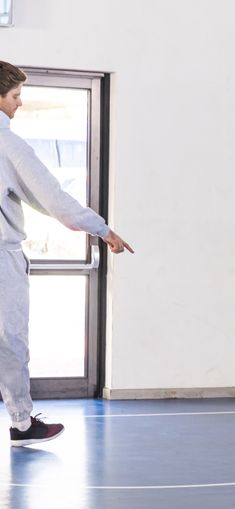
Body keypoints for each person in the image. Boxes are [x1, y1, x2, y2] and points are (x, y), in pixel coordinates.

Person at [1, 61, 133, 447]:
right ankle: (22, 424)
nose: (19, 103)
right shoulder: (8, 144)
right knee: (10, 342)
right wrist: (102, 229)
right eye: (14, 96)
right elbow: (53, 199)